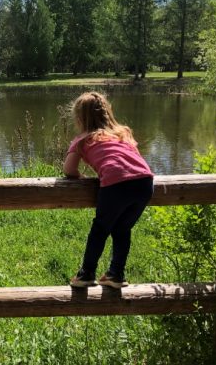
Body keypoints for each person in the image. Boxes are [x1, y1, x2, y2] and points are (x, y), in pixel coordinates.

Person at [64, 92, 153, 289]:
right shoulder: (123, 133)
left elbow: (69, 170)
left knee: (100, 229)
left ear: (79, 118)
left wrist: (82, 177)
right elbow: (134, 159)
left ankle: (86, 274)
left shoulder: (81, 140)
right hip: (145, 182)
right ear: (107, 112)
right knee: (122, 228)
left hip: (115, 184)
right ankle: (116, 274)